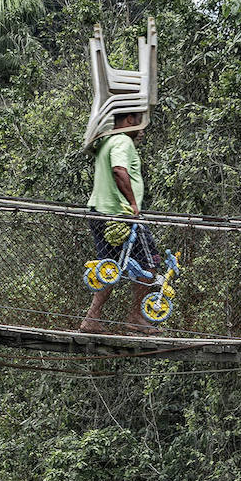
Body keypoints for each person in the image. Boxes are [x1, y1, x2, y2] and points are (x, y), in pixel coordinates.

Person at [80, 111, 162, 334]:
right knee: (149, 263)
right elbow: (118, 170)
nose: (142, 130)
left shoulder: (106, 140)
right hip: (121, 217)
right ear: (129, 120)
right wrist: (133, 204)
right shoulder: (122, 141)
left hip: (100, 213)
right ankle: (136, 317)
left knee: (109, 267)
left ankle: (91, 318)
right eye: (140, 123)